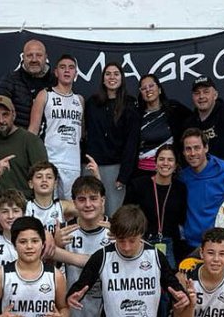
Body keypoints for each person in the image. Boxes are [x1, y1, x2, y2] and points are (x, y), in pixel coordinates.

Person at [50, 175, 110, 317]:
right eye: (82, 199)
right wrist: (55, 248)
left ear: (103, 200)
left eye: (93, 198)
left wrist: (65, 254)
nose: (88, 204)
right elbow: (46, 270)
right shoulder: (64, 233)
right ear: (74, 202)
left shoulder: (116, 232)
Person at [180, 128, 224, 250]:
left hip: (218, 247)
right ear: (183, 152)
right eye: (188, 149)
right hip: (191, 245)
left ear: (206, 148)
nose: (192, 153)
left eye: (197, 148)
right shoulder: (183, 177)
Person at [83, 62, 140, 217]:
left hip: (115, 168)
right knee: (90, 212)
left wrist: (124, 174)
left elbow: (132, 141)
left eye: (116, 73)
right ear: (102, 79)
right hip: (91, 165)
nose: (112, 77)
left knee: (113, 215)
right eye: (108, 74)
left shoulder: (129, 104)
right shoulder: (92, 103)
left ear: (122, 78)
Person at [29, 54, 84, 198]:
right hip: (50, 161)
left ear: (76, 73)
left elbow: (81, 132)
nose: (67, 71)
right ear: (56, 72)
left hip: (72, 164)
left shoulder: (79, 100)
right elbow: (32, 131)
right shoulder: (45, 95)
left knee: (71, 209)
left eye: (71, 68)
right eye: (63, 67)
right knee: (48, 206)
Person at [123, 145, 187, 266]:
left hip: (171, 244)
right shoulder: (138, 185)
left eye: (170, 160)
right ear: (155, 163)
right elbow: (126, 213)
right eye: (161, 159)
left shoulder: (180, 188)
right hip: (142, 241)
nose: (165, 163)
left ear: (176, 165)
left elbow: (182, 219)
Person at [0, 95, 48, 198]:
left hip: (23, 205)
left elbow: (43, 178)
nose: (1, 120)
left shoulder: (31, 140)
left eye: (5, 114)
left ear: (14, 114)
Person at [133, 74, 191, 181]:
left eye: (151, 86)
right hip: (143, 173)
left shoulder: (174, 108)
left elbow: (193, 120)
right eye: (144, 88)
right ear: (141, 93)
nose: (148, 90)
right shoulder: (136, 115)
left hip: (170, 170)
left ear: (159, 89)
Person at [0, 39, 57, 129]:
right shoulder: (9, 80)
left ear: (45, 57)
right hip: (17, 141)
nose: (34, 59)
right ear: (23, 57)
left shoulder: (55, 82)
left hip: (49, 141)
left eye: (39, 55)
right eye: (29, 55)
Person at [0, 189, 27, 270]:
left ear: (23, 214)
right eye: (5, 211)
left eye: (16, 211)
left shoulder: (33, 241)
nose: (10, 216)